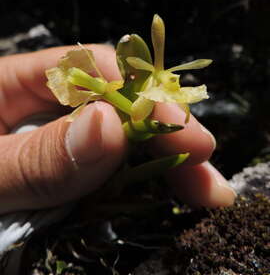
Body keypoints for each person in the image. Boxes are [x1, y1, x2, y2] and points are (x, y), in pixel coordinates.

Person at [0, 44, 236, 215]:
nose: (171, 82)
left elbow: (138, 113)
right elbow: (135, 113)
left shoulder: (143, 100)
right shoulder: (113, 94)